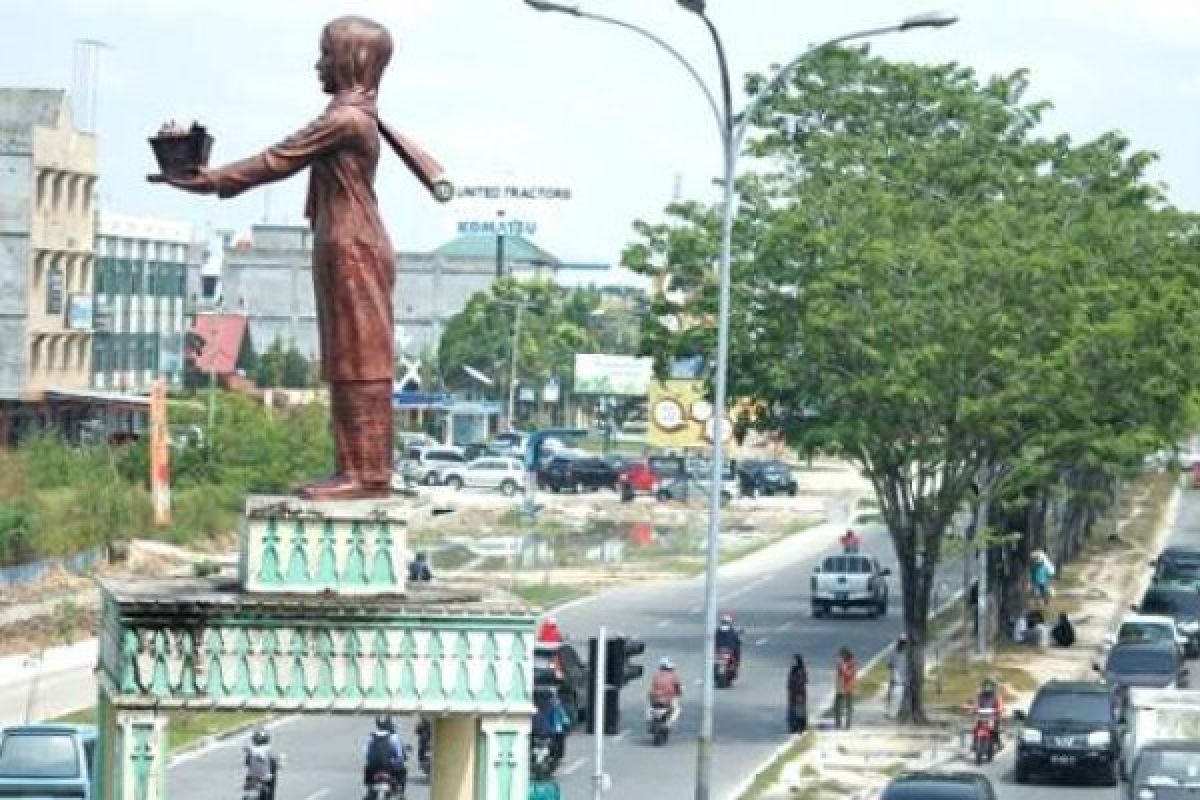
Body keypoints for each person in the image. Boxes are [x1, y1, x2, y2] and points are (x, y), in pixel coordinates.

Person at [154, 15, 448, 500]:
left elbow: (275, 160)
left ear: (351, 61)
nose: (318, 65)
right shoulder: (355, 116)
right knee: (345, 360)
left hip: (354, 246)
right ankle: (354, 468)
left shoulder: (345, 120)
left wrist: (207, 180)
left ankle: (369, 474)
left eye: (326, 54)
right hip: (342, 245)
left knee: (361, 360)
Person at [363, 715, 406, 792]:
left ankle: (369, 790)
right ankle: (401, 793)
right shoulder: (394, 737)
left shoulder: (372, 736)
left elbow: (366, 753)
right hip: (390, 767)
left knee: (367, 770)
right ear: (390, 726)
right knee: (403, 770)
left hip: (374, 768)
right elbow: (399, 755)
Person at [244, 728, 279, 800]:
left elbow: (246, 763)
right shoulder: (268, 753)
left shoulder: (251, 753)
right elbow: (274, 765)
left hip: (253, 778)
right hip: (261, 779)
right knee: (270, 786)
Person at [648, 657, 683, 726]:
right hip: (667, 701)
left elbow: (651, 689)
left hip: (655, 701)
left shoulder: (656, 676)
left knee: (649, 707)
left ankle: (650, 720)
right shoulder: (674, 676)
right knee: (677, 709)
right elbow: (679, 689)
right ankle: (669, 723)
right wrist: (679, 693)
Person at [886, 636, 909, 719]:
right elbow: (890, 664)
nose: (902, 644)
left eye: (904, 643)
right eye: (901, 642)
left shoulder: (907, 651)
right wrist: (891, 675)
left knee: (901, 695)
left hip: (904, 675)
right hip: (895, 675)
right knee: (893, 694)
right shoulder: (892, 650)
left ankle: (898, 712)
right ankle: (890, 712)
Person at [834, 647, 857, 730]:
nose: (840, 657)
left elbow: (849, 674)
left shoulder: (852, 663)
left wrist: (843, 668)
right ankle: (838, 724)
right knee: (837, 706)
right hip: (840, 688)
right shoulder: (841, 663)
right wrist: (839, 666)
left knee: (849, 707)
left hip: (848, 687)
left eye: (841, 655)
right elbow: (838, 674)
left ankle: (848, 724)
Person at [786, 654, 808, 733]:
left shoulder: (800, 671)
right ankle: (793, 727)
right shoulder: (793, 670)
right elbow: (789, 682)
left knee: (799, 711)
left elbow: (803, 682)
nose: (792, 663)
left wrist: (799, 694)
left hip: (799, 694)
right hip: (793, 694)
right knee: (792, 710)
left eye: (794, 661)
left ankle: (800, 727)